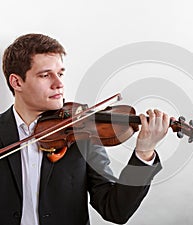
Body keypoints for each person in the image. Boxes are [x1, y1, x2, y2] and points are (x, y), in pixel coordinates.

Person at [0, 33, 170, 225]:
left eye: (60, 74)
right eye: (45, 75)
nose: (59, 84)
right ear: (17, 82)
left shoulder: (81, 131)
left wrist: (144, 152)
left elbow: (115, 210)